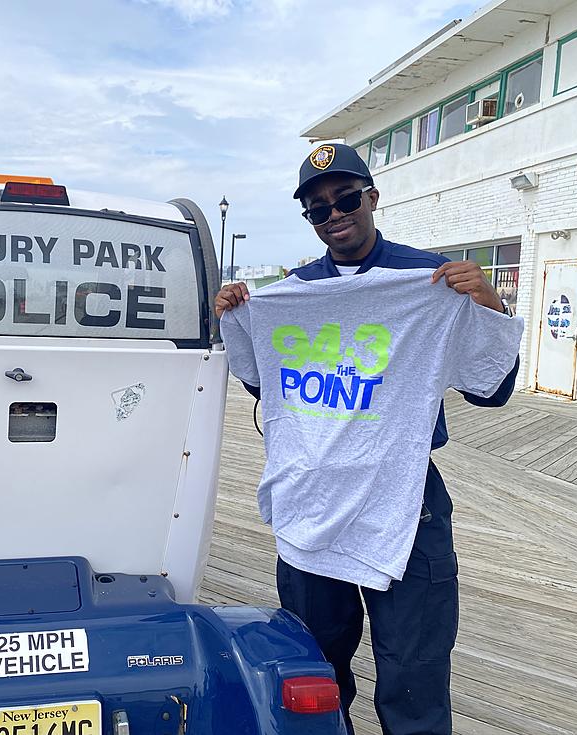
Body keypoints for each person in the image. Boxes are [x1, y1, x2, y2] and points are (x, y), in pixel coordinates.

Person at [215, 143, 518, 735]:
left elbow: (492, 389)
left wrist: (487, 304)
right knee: (314, 668)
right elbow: (269, 388)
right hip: (313, 495)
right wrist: (237, 315)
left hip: (404, 496)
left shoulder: (426, 279)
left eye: (345, 199)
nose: (334, 215)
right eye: (318, 209)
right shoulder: (293, 292)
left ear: (371, 198)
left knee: (414, 671)